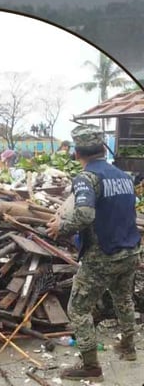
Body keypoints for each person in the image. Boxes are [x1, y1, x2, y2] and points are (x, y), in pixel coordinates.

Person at [46, 125, 141, 380]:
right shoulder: (123, 176)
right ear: (103, 149)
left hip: (103, 256)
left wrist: (61, 226)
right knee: (123, 299)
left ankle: (90, 366)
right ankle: (128, 348)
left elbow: (85, 215)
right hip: (130, 250)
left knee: (78, 309)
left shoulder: (86, 178)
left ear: (77, 154)